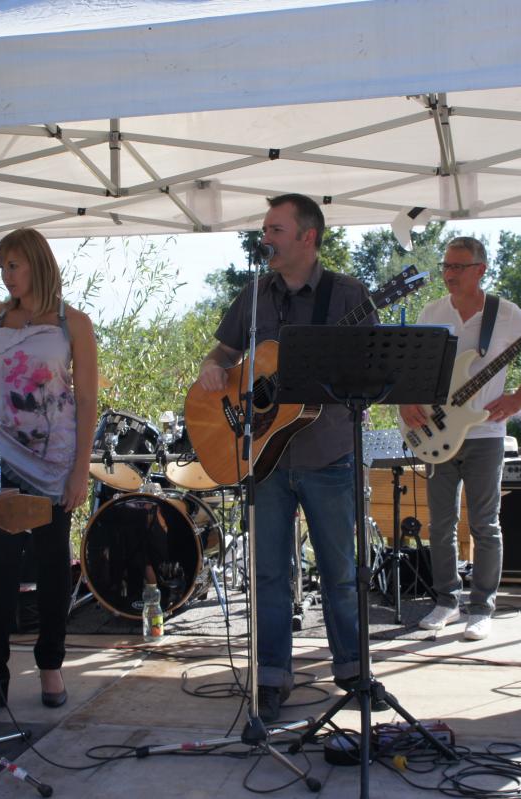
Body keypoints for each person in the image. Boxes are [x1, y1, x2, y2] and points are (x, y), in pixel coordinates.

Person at [194, 193, 375, 723]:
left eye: (275, 229)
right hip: (260, 457)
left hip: (329, 454)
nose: (264, 237)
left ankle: (352, 670)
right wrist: (213, 370)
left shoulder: (350, 297)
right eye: (265, 228)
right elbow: (223, 355)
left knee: (340, 573)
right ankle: (271, 677)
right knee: (269, 574)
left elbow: (371, 372)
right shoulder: (254, 296)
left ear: (307, 237)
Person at [0, 228, 98, 711]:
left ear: (37, 264)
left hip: (56, 461)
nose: (5, 275)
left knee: (51, 568)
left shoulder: (72, 324)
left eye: (13, 264)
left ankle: (51, 668)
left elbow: (86, 400)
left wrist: (81, 471)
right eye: (1, 266)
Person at [399, 237, 521, 640]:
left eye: (458, 267)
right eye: (446, 266)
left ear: (480, 270)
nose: (449, 274)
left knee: (486, 524)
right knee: (441, 523)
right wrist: (406, 403)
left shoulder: (506, 314)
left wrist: (519, 398)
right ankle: (446, 601)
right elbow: (410, 366)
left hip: (485, 432)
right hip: (436, 430)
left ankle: (481, 607)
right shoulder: (432, 312)